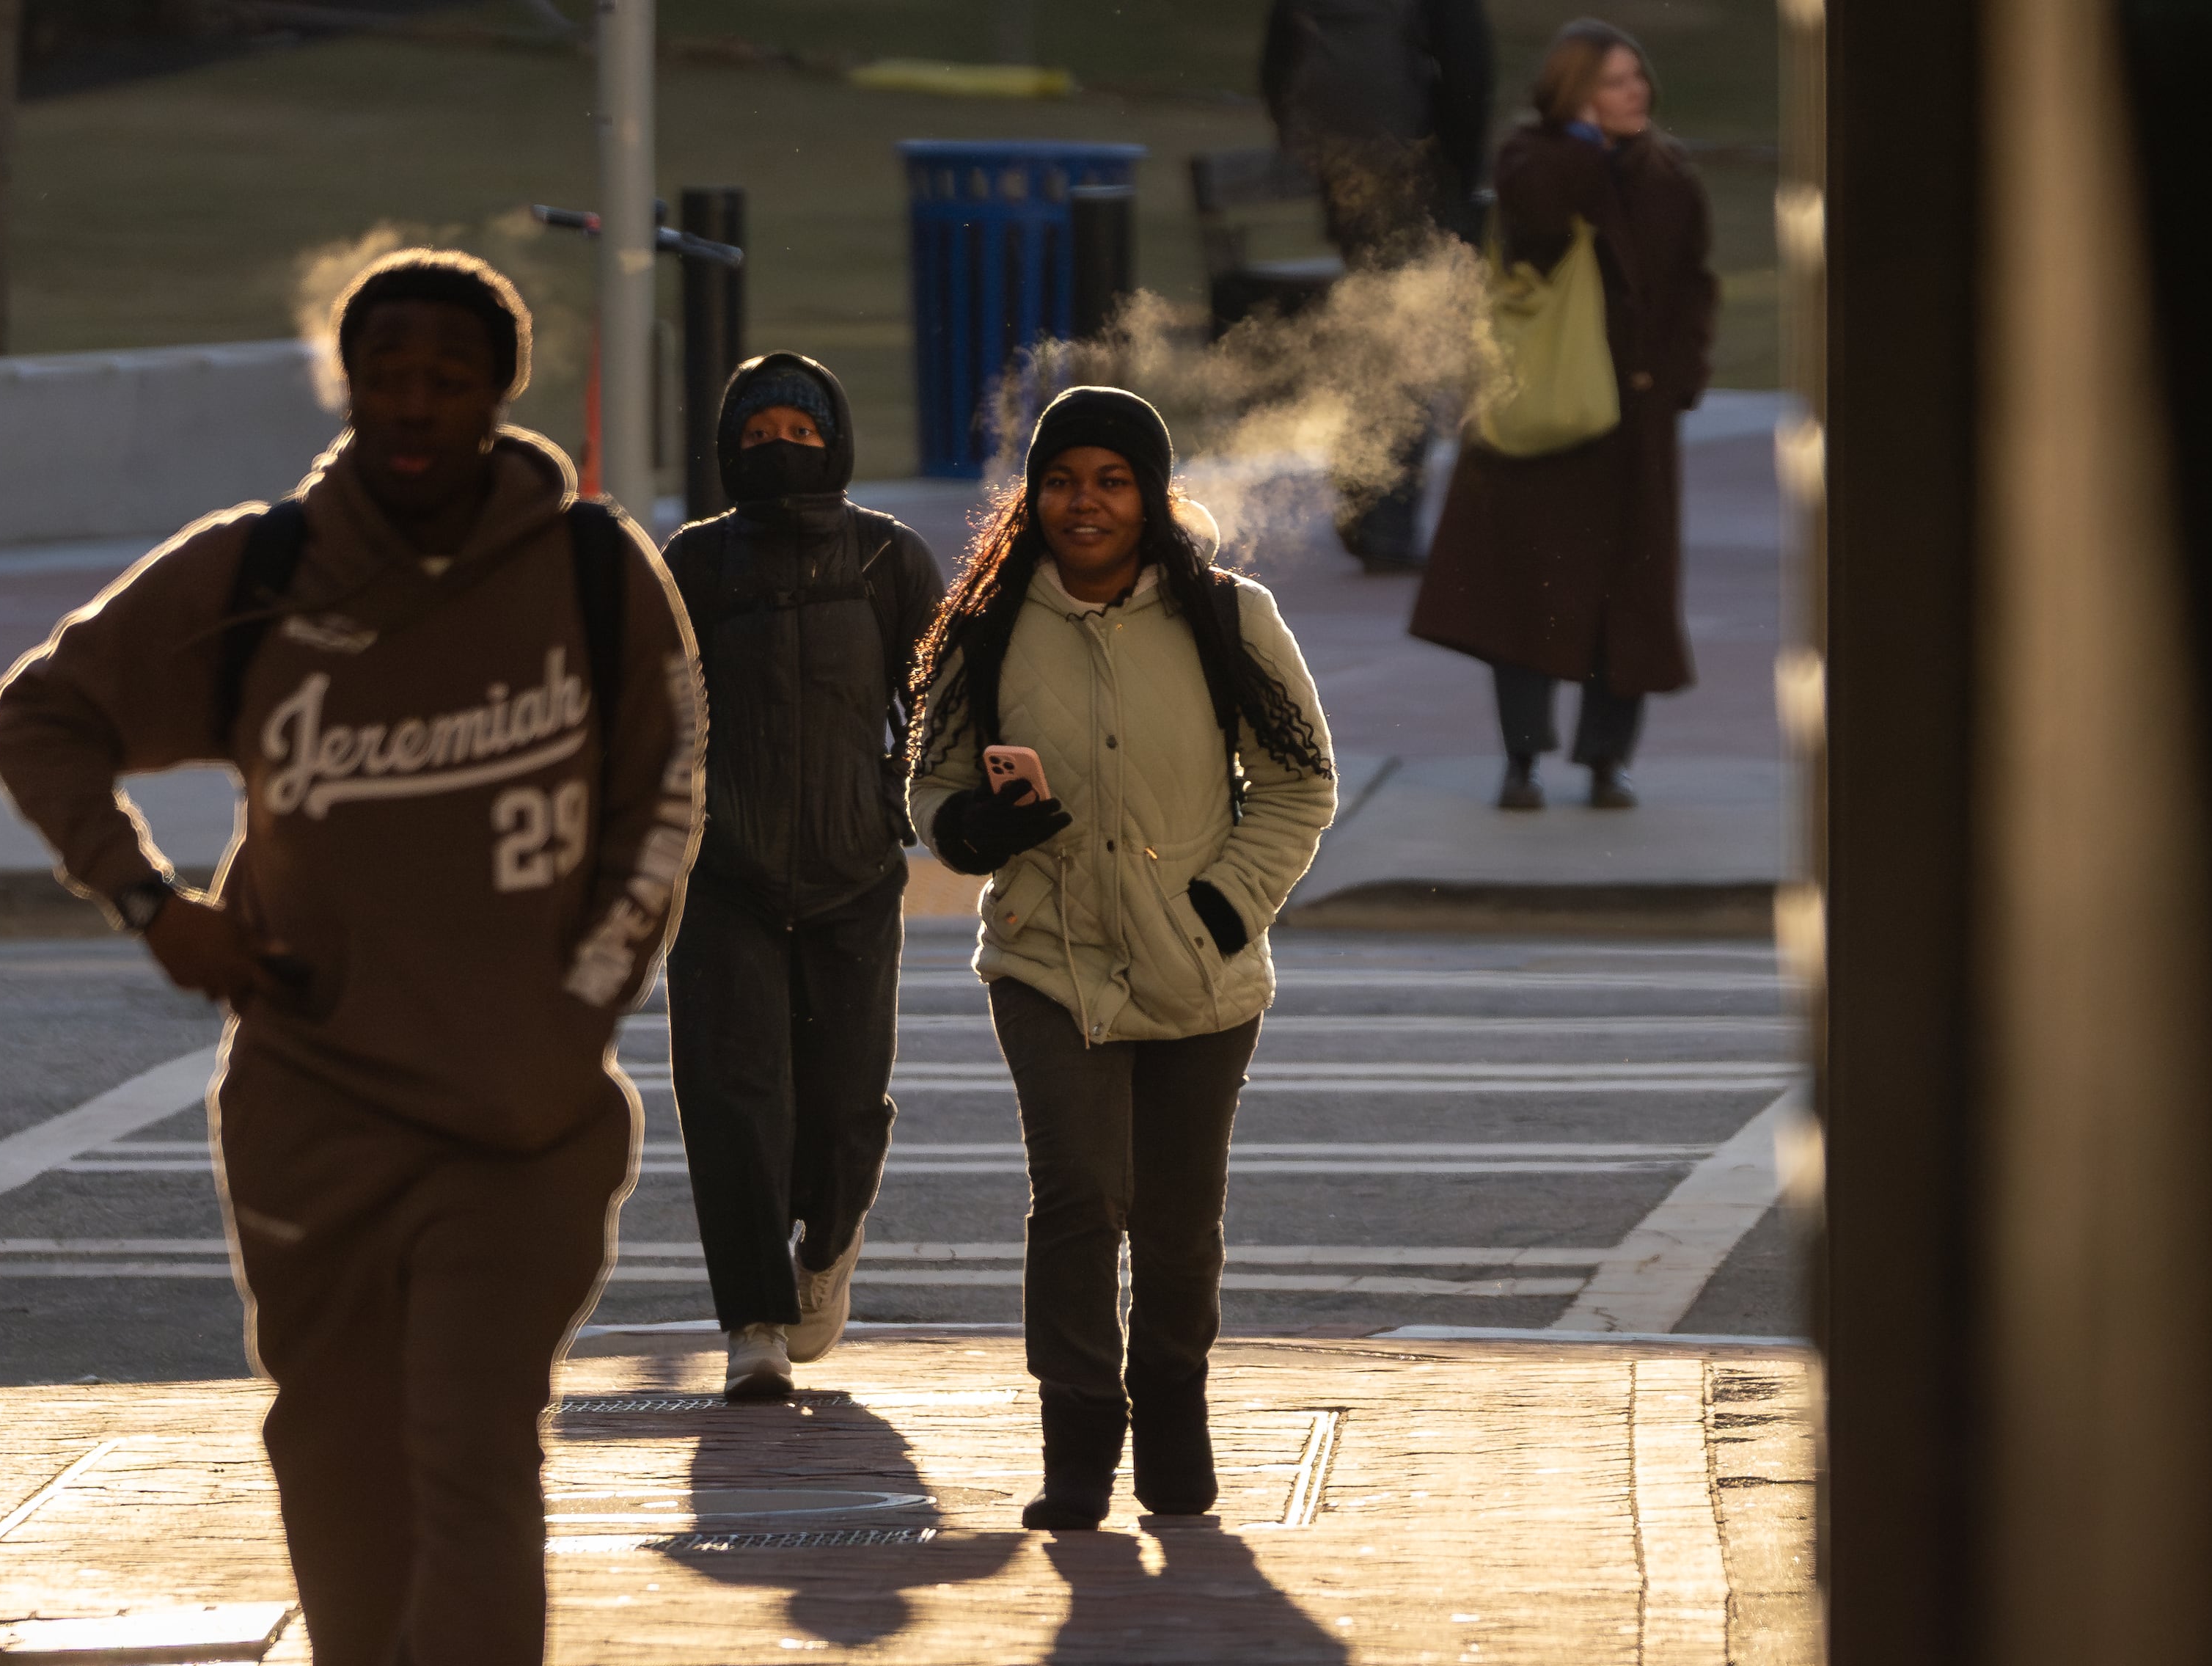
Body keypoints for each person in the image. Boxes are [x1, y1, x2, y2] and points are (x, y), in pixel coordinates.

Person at [0, 250, 703, 1666]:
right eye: (389, 372)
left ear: (502, 387)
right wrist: (150, 901)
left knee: (470, 1442)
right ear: (348, 381)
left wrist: (575, 1005)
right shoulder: (262, 572)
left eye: (451, 374)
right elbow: (47, 714)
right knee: (334, 1444)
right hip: (309, 1097)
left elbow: (665, 801)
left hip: (522, 1118)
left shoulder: (593, 571)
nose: (416, 404)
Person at [907, 387, 1338, 1530]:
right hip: (1047, 963)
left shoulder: (1228, 619)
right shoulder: (988, 625)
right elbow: (934, 782)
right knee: (1080, 1197)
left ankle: (1175, 1414)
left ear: (1152, 496)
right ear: (1029, 497)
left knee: (1180, 1216)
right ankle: (1080, 1441)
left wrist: (1222, 907)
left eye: (1111, 480)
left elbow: (1301, 785)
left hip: (1200, 971)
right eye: (1060, 481)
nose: (1083, 503)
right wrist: (976, 833)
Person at [659, 354, 947, 1403]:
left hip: (854, 879)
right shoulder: (692, 563)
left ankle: (825, 1250)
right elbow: (647, 713)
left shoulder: (886, 560)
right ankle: (752, 1322)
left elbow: (938, 706)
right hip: (721, 881)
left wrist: (900, 809)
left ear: (838, 440)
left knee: (844, 1106)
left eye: (802, 427)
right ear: (728, 446)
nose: (779, 444)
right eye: (758, 429)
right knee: (733, 1103)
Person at [1409, 18, 1718, 809]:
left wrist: (1677, 378)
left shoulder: (1669, 175)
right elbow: (1539, 231)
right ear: (1574, 93)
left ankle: (1607, 759)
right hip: (1542, 414)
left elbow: (1693, 284)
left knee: (1630, 598)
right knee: (1528, 593)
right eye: (1615, 82)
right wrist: (1583, 151)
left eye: (1638, 78)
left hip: (1633, 421)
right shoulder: (1534, 163)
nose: (1636, 92)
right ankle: (1522, 759)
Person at [1261, 0, 1496, 571]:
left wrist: (1319, 155)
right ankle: (1384, 515)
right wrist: (1460, 182)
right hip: (1416, 172)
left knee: (1377, 329)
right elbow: (1469, 76)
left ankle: (1366, 497)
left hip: (1348, 170)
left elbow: (1276, 68)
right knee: (1405, 342)